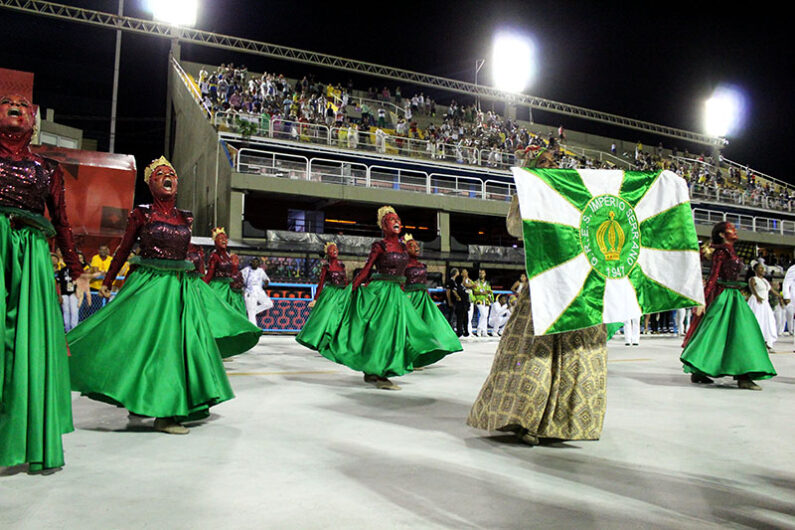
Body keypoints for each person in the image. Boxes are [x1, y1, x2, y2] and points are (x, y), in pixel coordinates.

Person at [67, 157, 242, 435]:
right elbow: (124, 249)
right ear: (151, 183)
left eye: (171, 173)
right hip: (148, 286)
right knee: (141, 343)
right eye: (160, 173)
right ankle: (150, 404)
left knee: (173, 346)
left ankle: (166, 409)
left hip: (177, 288)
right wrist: (109, 281)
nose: (168, 176)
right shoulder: (142, 214)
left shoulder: (186, 217)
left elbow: (189, 254)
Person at [468, 148, 608, 445]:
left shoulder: (576, 195)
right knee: (535, 352)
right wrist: (528, 195)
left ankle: (558, 422)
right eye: (543, 163)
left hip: (577, 286)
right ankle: (524, 416)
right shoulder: (531, 194)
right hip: (544, 285)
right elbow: (515, 228)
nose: (551, 166)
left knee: (573, 356)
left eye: (554, 162)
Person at [0, 94, 83, 471]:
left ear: (34, 119)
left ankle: (23, 435)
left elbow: (62, 222)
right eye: (6, 101)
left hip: (32, 256)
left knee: (27, 345)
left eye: (24, 104)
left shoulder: (48, 169)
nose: (16, 105)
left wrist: (76, 269)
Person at [319, 206, 458, 390]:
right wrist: (351, 289)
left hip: (397, 294)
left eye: (398, 219)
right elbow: (367, 269)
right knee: (383, 333)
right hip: (381, 292)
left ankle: (375, 371)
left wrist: (403, 292)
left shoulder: (403, 248)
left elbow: (403, 273)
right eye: (391, 219)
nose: (396, 222)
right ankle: (381, 374)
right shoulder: (380, 246)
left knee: (403, 332)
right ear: (384, 225)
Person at [681, 222, 776, 390]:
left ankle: (740, 373)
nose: (735, 231)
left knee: (739, 333)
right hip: (723, 295)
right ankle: (734, 374)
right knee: (718, 333)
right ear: (722, 235)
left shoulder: (730, 250)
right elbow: (713, 276)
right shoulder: (721, 252)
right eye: (731, 229)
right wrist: (702, 300)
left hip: (733, 295)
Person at [402, 234, 462, 354]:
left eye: (417, 245)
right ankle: (408, 353)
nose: (416, 248)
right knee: (411, 326)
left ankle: (423, 352)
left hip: (422, 298)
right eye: (412, 246)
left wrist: (429, 300)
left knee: (427, 324)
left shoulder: (422, 265)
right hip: (409, 297)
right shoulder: (403, 265)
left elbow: (424, 283)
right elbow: (400, 281)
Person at [296, 242, 351, 352]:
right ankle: (320, 340)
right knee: (326, 317)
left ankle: (338, 343)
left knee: (340, 318)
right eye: (331, 249)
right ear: (327, 253)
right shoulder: (326, 267)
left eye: (335, 249)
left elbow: (345, 281)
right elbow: (321, 284)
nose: (334, 251)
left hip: (341, 294)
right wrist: (315, 299)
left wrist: (348, 293)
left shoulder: (342, 266)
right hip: (330, 294)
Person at [204, 227, 247, 318]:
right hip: (218, 287)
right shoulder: (214, 256)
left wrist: (235, 266)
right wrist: (201, 286)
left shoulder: (228, 256)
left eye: (225, 238)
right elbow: (209, 275)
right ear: (216, 241)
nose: (224, 240)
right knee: (217, 311)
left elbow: (233, 273)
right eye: (221, 239)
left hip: (228, 288)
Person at [747, 261, 778, 350]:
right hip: (757, 302)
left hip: (765, 304)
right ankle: (756, 341)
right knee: (758, 320)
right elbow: (752, 289)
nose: (762, 270)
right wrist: (757, 296)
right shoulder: (753, 279)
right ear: (755, 270)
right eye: (760, 268)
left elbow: (772, 290)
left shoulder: (765, 280)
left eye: (763, 268)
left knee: (769, 321)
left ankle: (767, 340)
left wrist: (780, 297)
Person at [241, 257, 273, 327]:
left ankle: (251, 311)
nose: (255, 263)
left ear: (259, 264)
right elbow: (240, 278)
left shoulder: (261, 271)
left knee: (269, 304)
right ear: (251, 262)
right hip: (250, 291)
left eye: (256, 262)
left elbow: (266, 279)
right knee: (251, 314)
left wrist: (266, 282)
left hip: (259, 290)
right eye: (253, 262)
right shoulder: (246, 270)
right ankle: (253, 329)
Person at [472, 269, 494, 337]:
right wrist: (482, 293)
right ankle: (479, 330)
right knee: (483, 315)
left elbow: (490, 292)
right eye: (480, 273)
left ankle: (484, 331)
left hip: (486, 301)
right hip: (479, 300)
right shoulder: (476, 282)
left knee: (485, 316)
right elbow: (474, 292)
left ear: (485, 274)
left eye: (482, 273)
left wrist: (491, 299)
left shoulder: (487, 283)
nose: (481, 274)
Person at [460, 268, 475, 336]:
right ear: (461, 274)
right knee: (466, 316)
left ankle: (470, 330)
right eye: (464, 272)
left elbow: (474, 285)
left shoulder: (468, 280)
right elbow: (465, 285)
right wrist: (472, 286)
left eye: (466, 272)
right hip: (465, 300)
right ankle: (466, 330)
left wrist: (470, 281)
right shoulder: (461, 280)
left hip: (470, 299)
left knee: (470, 316)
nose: (465, 274)